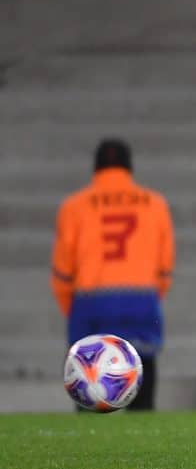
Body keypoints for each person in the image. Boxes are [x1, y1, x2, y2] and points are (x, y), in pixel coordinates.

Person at [51, 139, 175, 411]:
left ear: (96, 168)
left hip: (90, 300)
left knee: (88, 376)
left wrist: (72, 309)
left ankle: (88, 441)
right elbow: (164, 269)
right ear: (129, 167)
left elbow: (62, 272)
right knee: (142, 367)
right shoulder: (154, 204)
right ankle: (143, 432)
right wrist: (152, 296)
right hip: (141, 298)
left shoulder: (74, 206)